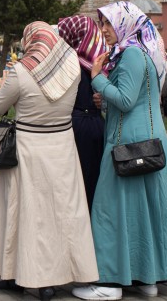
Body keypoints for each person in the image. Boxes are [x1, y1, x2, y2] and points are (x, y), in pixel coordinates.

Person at [73, 3, 167, 300]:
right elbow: (137, 96)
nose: (103, 30)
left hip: (126, 143)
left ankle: (110, 283)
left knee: (111, 212)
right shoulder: (146, 51)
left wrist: (98, 77)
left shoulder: (130, 55)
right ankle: (147, 279)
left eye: (109, 24)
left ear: (125, 25)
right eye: (101, 24)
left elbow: (126, 100)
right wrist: (107, 100)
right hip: (149, 142)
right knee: (144, 213)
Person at [0, 22, 98, 301]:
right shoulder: (72, 64)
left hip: (28, 147)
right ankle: (63, 273)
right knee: (63, 213)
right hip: (62, 145)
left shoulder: (21, 71)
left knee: (27, 214)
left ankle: (21, 275)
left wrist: (1, 89)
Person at [56, 14, 107, 213]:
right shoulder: (100, 58)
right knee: (94, 183)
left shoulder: (69, 63)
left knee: (78, 186)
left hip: (77, 128)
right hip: (97, 124)